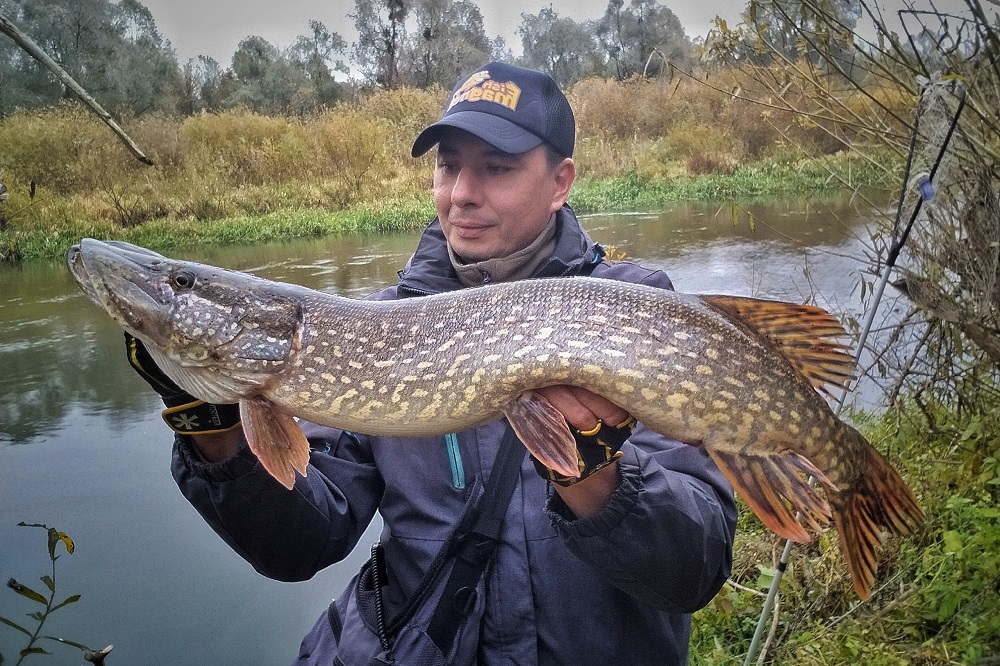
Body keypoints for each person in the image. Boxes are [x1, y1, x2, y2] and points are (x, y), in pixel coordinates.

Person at [127, 62, 737, 665]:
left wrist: (596, 478)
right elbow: (300, 545)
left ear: (560, 182)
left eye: (495, 169)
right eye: (448, 167)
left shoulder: (639, 304)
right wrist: (214, 429)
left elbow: (693, 573)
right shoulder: (372, 330)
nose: (463, 194)